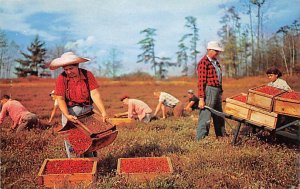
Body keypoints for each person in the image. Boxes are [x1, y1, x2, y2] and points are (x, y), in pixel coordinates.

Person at [49, 51, 108, 158]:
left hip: (87, 112)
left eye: (71, 68)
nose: (68, 71)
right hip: (71, 113)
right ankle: (76, 164)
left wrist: (103, 112)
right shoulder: (61, 78)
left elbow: (94, 93)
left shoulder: (87, 75)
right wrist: (67, 115)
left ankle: (92, 164)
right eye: (65, 69)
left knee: (90, 138)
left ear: (77, 66)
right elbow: (60, 99)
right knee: (73, 141)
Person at [196, 41, 226, 140]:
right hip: (209, 90)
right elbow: (201, 82)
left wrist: (220, 91)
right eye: (215, 51)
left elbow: (218, 78)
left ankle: (221, 137)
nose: (217, 53)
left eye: (218, 51)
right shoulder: (203, 62)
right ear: (209, 50)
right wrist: (201, 98)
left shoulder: (215, 62)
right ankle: (201, 139)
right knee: (205, 116)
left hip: (217, 91)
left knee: (219, 115)